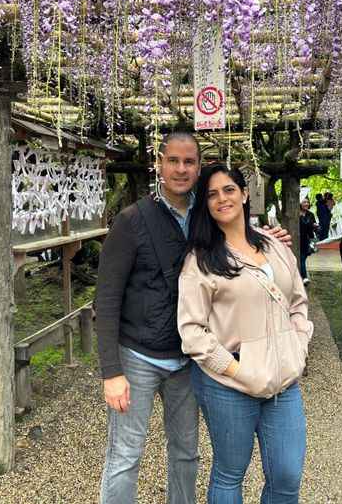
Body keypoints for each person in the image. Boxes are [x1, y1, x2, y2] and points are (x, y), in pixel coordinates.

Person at [93, 132, 291, 504]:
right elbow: (106, 298)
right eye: (173, 161)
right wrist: (111, 372)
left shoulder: (208, 214)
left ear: (199, 167)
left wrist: (268, 238)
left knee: (186, 451)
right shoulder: (132, 220)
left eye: (189, 162)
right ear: (159, 164)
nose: (181, 169)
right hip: (138, 355)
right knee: (125, 455)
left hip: (188, 358)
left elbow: (240, 237)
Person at [178, 163, 313, 503]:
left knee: (287, 475)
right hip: (229, 381)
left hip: (283, 380)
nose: (221, 199)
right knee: (229, 473)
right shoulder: (201, 259)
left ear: (244, 193)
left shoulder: (274, 244)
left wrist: (298, 345)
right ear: (205, 205)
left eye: (228, 190)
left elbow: (298, 300)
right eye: (211, 194)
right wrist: (238, 368)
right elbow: (192, 331)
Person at [298, 196, 318, 283]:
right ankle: (304, 277)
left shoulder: (311, 214)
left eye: (307, 202)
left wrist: (315, 227)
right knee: (302, 258)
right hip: (300, 239)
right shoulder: (296, 214)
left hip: (309, 239)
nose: (306, 204)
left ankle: (302, 276)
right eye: (304, 202)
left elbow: (315, 228)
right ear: (299, 204)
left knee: (304, 257)